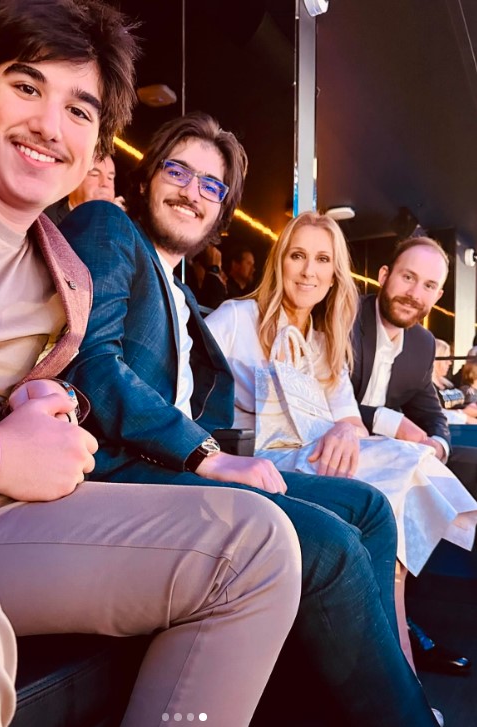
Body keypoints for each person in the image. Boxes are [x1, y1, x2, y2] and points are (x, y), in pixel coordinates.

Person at [0, 3, 305, 726]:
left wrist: (44, 407)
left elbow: (82, 381)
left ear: (96, 146)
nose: (51, 125)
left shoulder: (68, 275)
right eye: (26, 87)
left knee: (261, 544)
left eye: (79, 110)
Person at [61, 112, 441, 726]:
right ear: (145, 176)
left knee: (368, 508)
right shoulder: (108, 226)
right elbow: (94, 365)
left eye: (211, 186)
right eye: (177, 170)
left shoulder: (181, 294)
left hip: (181, 464)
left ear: (221, 212)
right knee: (333, 542)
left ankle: (354, 689)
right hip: (126, 469)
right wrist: (210, 455)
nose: (192, 191)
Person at [205, 211, 477, 673]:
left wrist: (342, 430)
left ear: (335, 275)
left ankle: (395, 658)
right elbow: (186, 398)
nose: (309, 270)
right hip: (251, 464)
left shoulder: (324, 340)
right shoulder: (236, 318)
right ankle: (399, 667)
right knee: (396, 476)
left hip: (316, 460)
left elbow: (350, 419)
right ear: (280, 262)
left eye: (322, 260)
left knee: (409, 465)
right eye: (298, 256)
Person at [350, 236, 476, 676]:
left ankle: (429, 612)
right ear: (384, 276)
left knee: (470, 466)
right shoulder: (343, 317)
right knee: (403, 478)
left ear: (438, 295)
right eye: (407, 277)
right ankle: (401, 627)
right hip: (340, 448)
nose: (414, 293)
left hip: (394, 451)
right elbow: (323, 400)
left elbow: (428, 408)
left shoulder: (421, 344)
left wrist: (438, 444)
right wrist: (391, 422)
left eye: (427, 285)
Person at [45, 153, 125, 226]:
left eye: (110, 178)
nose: (105, 184)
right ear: (73, 180)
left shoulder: (118, 225)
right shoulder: (47, 220)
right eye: (95, 175)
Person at [432, 339, 477, 424]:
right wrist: (464, 414)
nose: (450, 363)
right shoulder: (429, 387)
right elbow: (433, 413)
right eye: (447, 358)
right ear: (435, 360)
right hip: (455, 429)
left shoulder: (448, 384)